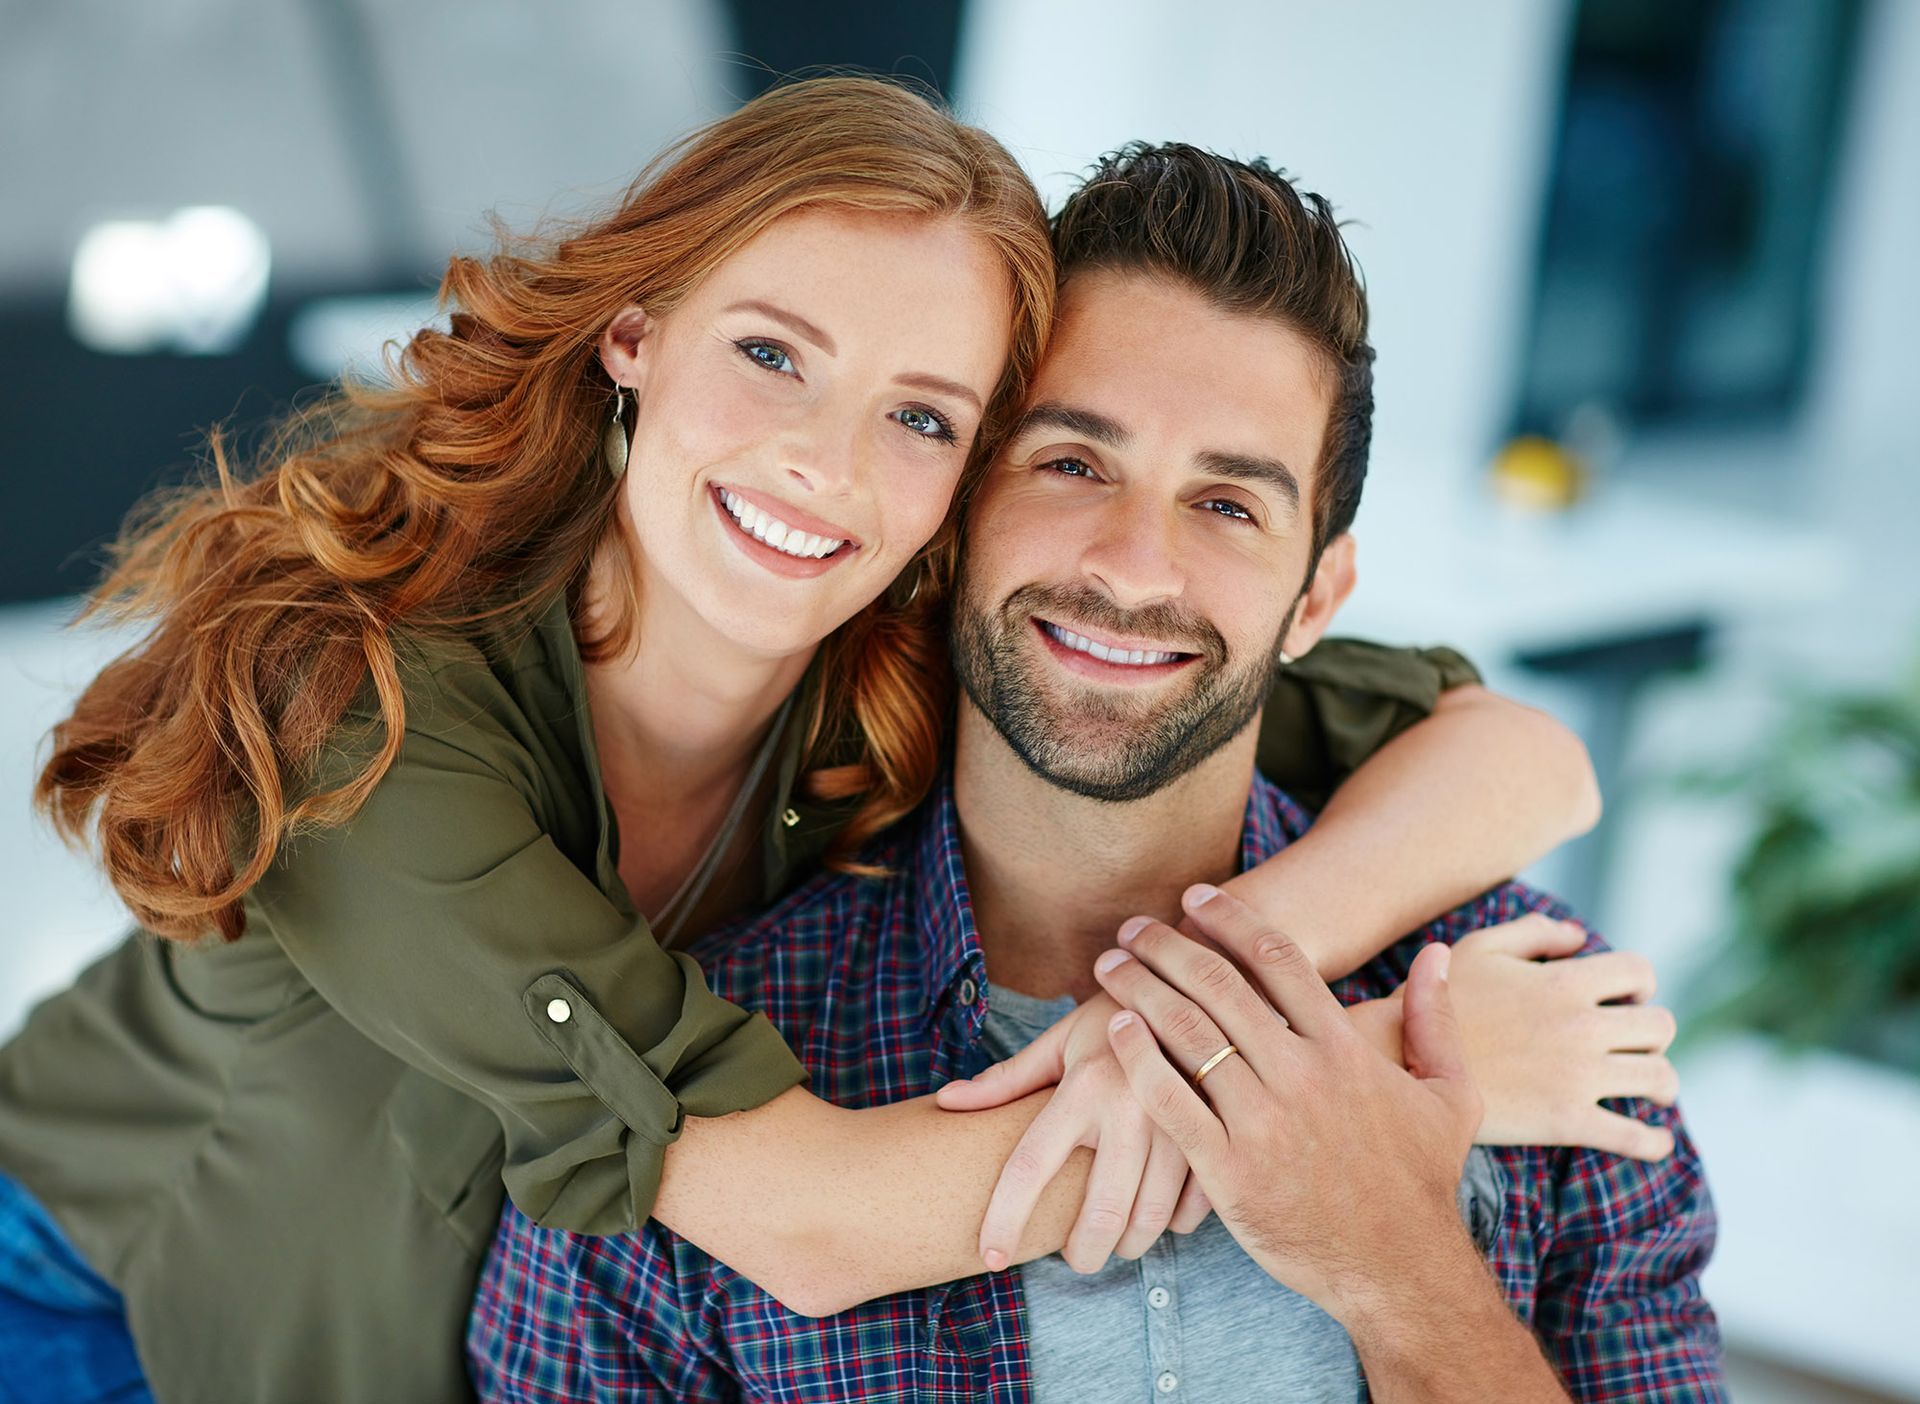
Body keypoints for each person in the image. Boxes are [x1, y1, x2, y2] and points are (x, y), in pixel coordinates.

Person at [0, 83, 1605, 1404]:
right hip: (102, 1289)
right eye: (772, 355)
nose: (824, 465)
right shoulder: (364, 714)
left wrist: (1235, 975)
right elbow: (816, 1226)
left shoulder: (936, 640)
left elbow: (1517, 756)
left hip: (468, 1309)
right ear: (635, 333)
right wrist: (1374, 1086)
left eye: (921, 416)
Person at [468, 144, 1723, 1401]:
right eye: (1072, 463)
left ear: (1317, 598)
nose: (1132, 567)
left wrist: (1400, 1267)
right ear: (954, 514)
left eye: (1228, 505)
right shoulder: (715, 1087)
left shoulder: (1542, 1015)